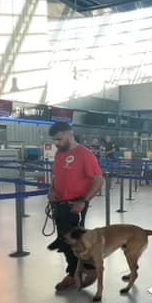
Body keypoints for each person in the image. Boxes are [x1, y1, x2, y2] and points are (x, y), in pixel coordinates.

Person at [48, 122, 104, 291]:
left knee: (76, 241)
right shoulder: (59, 153)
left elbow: (98, 180)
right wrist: (52, 189)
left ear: (70, 134)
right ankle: (73, 273)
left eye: (59, 138)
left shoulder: (84, 154)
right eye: (54, 140)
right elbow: (56, 175)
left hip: (75, 206)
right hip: (60, 205)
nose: (56, 143)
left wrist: (84, 201)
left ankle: (90, 269)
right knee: (65, 242)